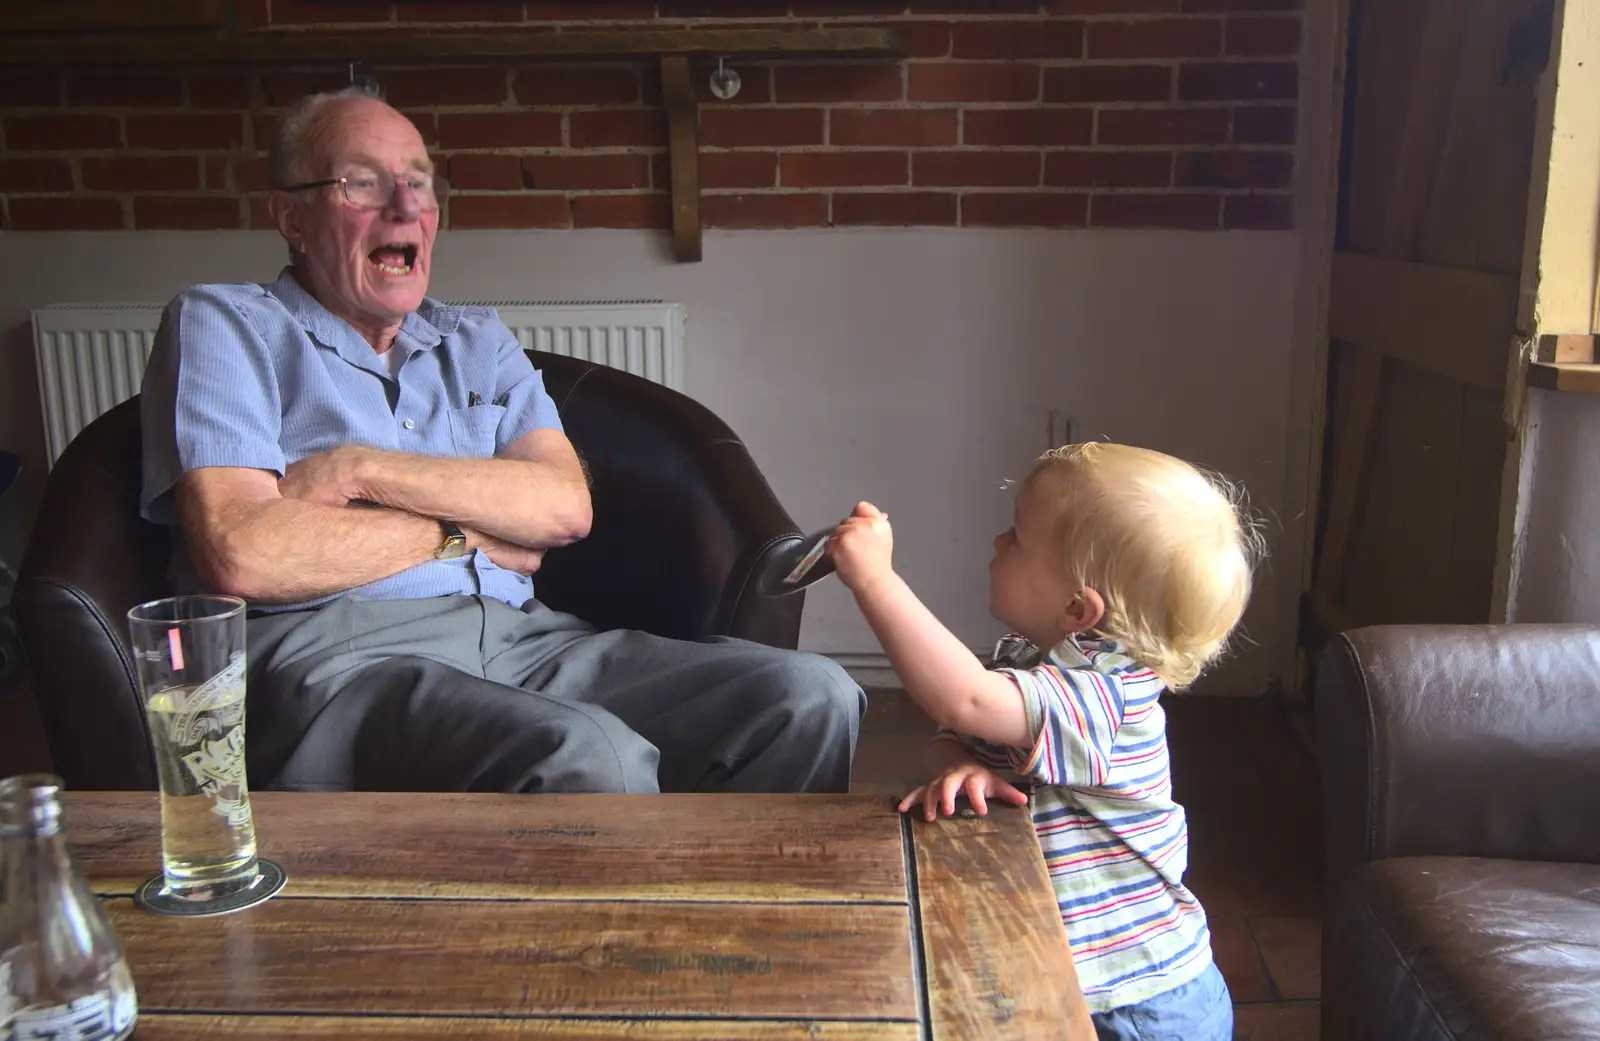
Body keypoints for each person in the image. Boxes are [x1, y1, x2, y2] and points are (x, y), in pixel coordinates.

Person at [138, 87, 863, 795]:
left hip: (525, 640)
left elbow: (564, 506)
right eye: (363, 183)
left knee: (808, 695)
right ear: (291, 216)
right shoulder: (226, 324)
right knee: (591, 757)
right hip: (338, 659)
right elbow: (245, 550)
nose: (406, 207)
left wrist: (356, 468)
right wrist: (465, 533)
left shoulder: (475, 339)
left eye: (420, 184)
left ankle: (724, 912)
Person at [825, 442, 1259, 1040]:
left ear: (1078, 608)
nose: (998, 543)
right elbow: (957, 727)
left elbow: (965, 699)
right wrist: (958, 762)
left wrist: (874, 579)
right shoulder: (1037, 667)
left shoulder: (1103, 699)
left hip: (1139, 1003)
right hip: (1066, 980)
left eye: (1017, 538)